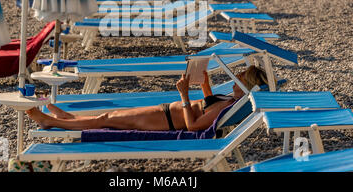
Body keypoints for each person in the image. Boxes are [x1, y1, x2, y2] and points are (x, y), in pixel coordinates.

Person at [26, 65, 269, 131]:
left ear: (244, 85)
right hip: (164, 113)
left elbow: (194, 125)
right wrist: (204, 83)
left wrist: (184, 95)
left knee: (106, 118)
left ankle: (52, 122)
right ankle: (66, 117)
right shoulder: (228, 101)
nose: (235, 76)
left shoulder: (228, 108)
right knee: (109, 117)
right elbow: (207, 105)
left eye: (239, 76)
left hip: (165, 121)